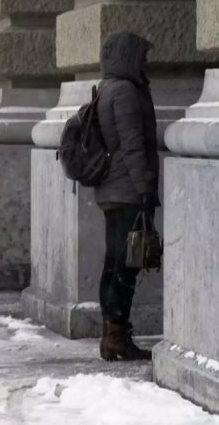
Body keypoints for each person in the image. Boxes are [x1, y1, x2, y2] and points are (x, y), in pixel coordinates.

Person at [95, 31, 159, 361]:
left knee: (115, 262)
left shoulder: (108, 87)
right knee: (125, 264)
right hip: (127, 190)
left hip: (113, 189)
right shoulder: (125, 92)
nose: (145, 61)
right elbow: (133, 146)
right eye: (141, 55)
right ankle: (116, 335)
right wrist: (146, 188)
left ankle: (113, 335)